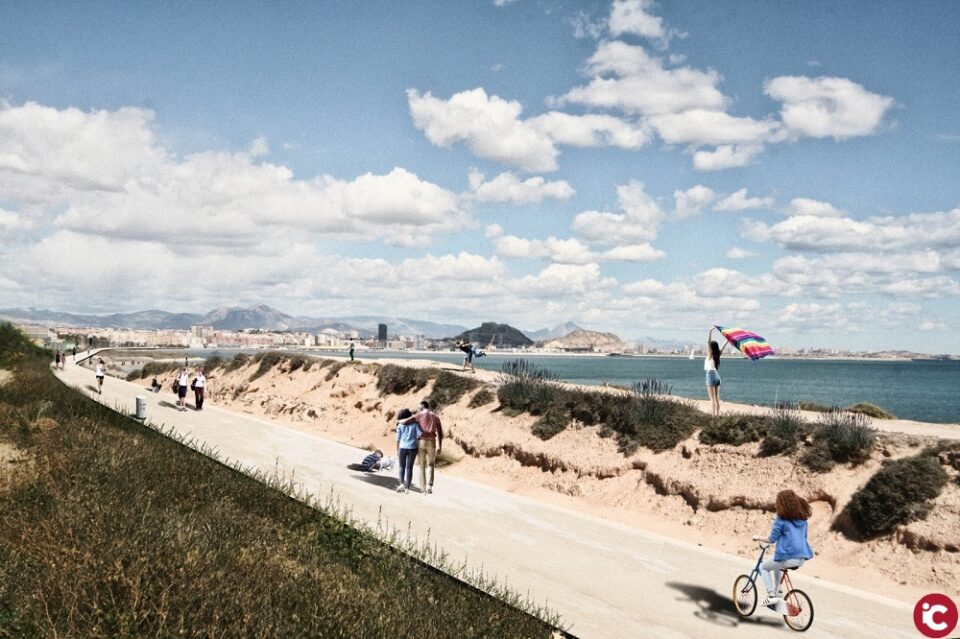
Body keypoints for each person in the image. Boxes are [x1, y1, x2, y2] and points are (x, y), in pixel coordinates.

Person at [751, 490, 814, 605]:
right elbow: (803, 538)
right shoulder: (803, 521)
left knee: (763, 567)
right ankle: (778, 590)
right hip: (802, 557)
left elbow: (771, 539)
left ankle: (771, 596)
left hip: (789, 557)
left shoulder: (780, 520)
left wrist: (758, 537)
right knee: (776, 562)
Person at [401, 399, 443, 494]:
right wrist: (440, 446)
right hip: (432, 442)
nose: (419, 409)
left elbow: (406, 422)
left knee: (422, 466)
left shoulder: (419, 415)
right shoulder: (435, 417)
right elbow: (440, 433)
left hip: (421, 442)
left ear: (423, 406)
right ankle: (430, 486)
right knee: (431, 464)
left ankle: (423, 489)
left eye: (419, 407)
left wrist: (400, 421)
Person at [705, 326, 729, 417]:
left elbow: (708, 341)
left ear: (711, 347)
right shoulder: (718, 354)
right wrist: (728, 339)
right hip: (717, 376)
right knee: (717, 398)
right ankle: (717, 415)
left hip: (710, 376)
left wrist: (710, 331)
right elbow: (723, 346)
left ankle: (713, 416)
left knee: (712, 399)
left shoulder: (710, 354)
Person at [395, 408, 421, 493]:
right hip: (413, 448)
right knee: (409, 468)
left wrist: (397, 450)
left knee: (401, 467)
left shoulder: (400, 425)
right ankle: (407, 488)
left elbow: (398, 439)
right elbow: (420, 434)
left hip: (402, 447)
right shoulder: (415, 424)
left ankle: (401, 483)